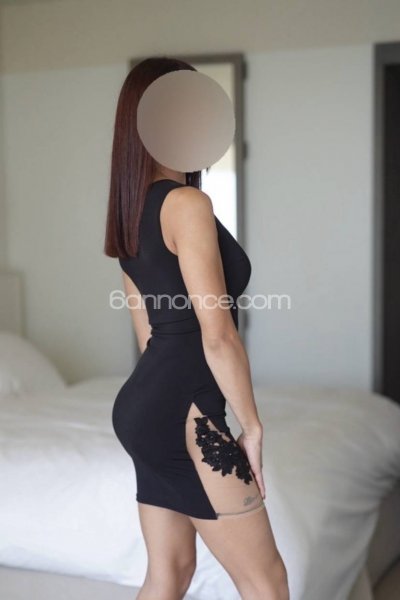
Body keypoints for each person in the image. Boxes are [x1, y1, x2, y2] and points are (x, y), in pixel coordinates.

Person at [104, 56, 289, 600]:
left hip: (143, 408)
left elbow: (149, 336)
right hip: (185, 410)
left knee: (170, 574)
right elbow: (217, 333)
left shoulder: (129, 215)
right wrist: (250, 426)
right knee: (266, 581)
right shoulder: (187, 204)